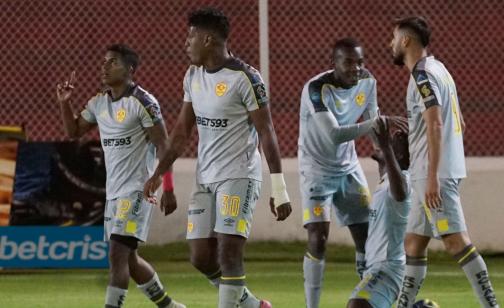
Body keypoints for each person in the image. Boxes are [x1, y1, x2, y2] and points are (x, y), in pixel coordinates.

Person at [143, 7, 291, 308]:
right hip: (205, 178)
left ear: (209, 40)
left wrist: (279, 188)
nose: (186, 43)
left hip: (238, 176)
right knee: (200, 256)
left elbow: (267, 133)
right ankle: (251, 305)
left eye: (191, 36)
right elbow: (182, 131)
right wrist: (160, 173)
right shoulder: (193, 75)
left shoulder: (245, 77)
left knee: (229, 252)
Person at [56, 45, 185, 307]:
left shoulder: (143, 102)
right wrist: (65, 103)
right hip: (114, 193)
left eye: (112, 62)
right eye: (103, 62)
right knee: (129, 260)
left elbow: (165, 147)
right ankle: (170, 306)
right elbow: (73, 131)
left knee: (117, 255)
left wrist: (168, 186)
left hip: (138, 190)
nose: (104, 67)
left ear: (130, 70)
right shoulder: (99, 102)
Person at [389, 16, 499, 308]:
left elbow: (436, 124)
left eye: (394, 38)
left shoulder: (422, 75)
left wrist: (433, 176)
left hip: (431, 174)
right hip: (428, 171)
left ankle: (492, 305)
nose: (391, 44)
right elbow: (458, 119)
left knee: (455, 241)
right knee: (413, 243)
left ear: (406, 41)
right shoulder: (441, 69)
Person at [298, 38, 407, 308]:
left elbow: (373, 128)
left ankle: (367, 291)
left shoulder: (368, 82)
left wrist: (385, 157)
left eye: (360, 62)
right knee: (318, 237)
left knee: (365, 236)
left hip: (348, 168)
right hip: (316, 171)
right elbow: (334, 134)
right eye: (348, 62)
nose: (356, 68)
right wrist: (379, 122)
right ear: (334, 63)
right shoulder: (316, 89)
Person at [347, 117, 412, 308]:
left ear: (398, 155)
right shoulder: (384, 180)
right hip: (376, 265)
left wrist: (386, 147)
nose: (387, 140)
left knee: (357, 305)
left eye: (394, 141)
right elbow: (373, 130)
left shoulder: (405, 180)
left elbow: (400, 193)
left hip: (388, 267)